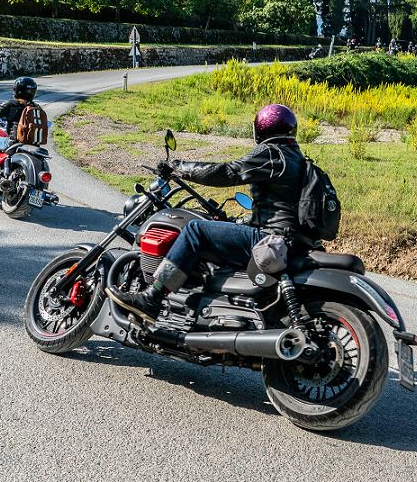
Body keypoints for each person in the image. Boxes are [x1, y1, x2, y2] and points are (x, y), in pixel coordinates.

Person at [106, 104, 309, 323]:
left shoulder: (272, 153)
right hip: (289, 240)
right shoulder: (298, 159)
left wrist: (178, 167)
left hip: (270, 238)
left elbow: (227, 172)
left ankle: (152, 298)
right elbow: (281, 205)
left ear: (260, 130)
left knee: (195, 230)